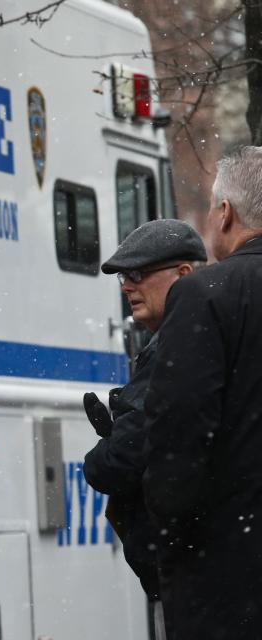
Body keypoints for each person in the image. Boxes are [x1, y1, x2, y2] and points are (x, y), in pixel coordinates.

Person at [143, 146, 262, 640]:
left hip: (229, 573)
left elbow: (179, 431)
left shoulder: (204, 294)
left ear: (226, 214)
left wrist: (168, 535)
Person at [82, 218, 205, 640]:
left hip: (187, 575)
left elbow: (120, 460)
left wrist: (102, 454)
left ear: (184, 275)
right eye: (123, 278)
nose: (126, 286)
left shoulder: (176, 345)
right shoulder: (202, 336)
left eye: (137, 275)